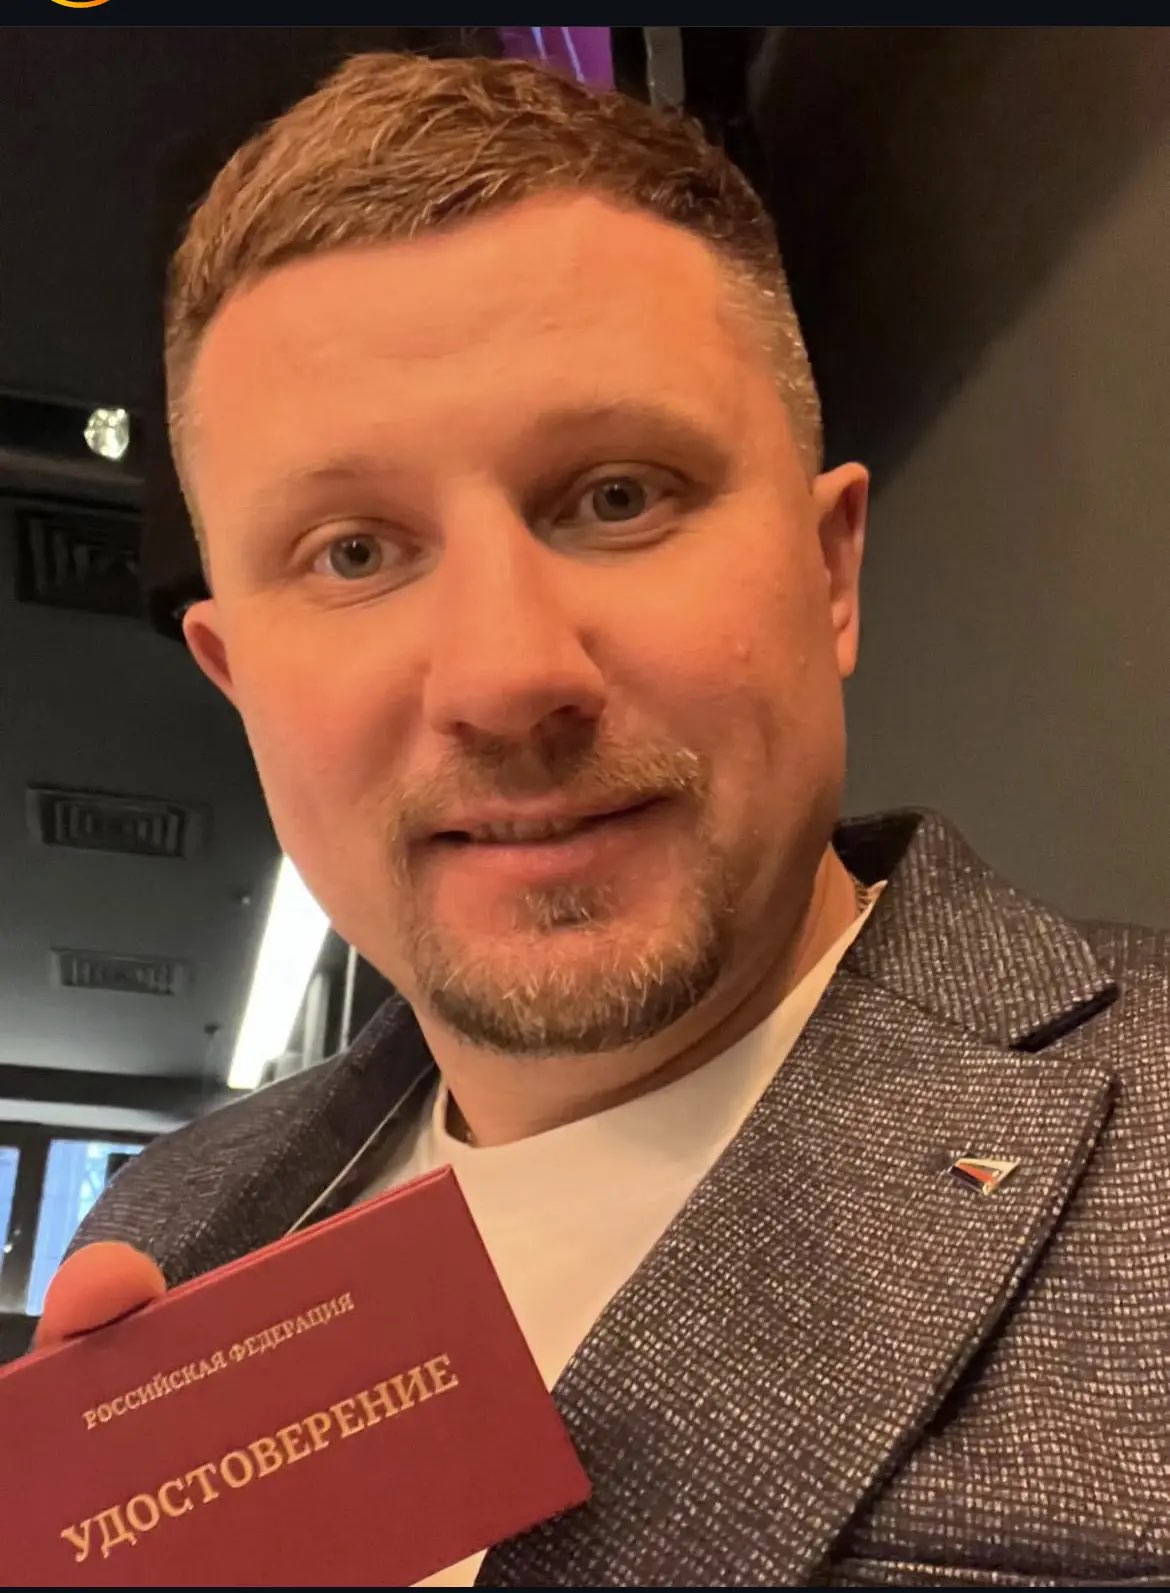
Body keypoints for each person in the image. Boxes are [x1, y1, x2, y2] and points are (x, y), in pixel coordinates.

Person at [35, 51, 1170, 1588]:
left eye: (617, 496)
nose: (506, 676)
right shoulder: (163, 1234)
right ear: (236, 679)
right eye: (354, 551)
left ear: (828, 569)